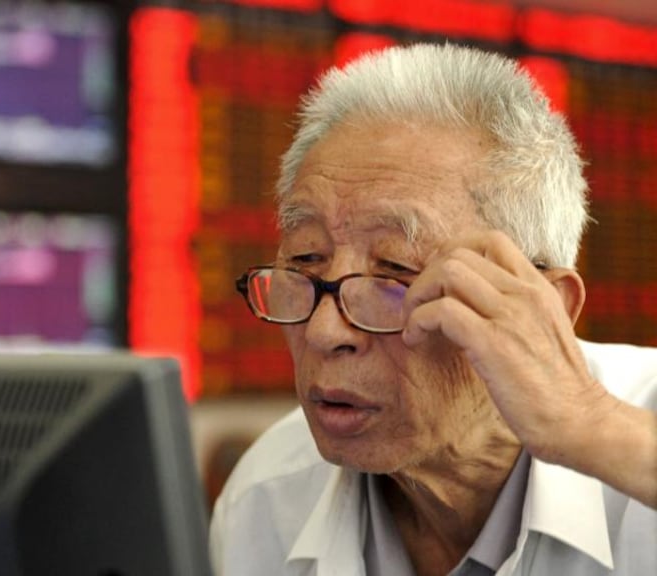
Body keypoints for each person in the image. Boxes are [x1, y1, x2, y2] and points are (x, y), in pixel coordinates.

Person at [209, 43, 657, 576]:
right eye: (306, 260)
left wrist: (590, 423)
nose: (327, 331)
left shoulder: (637, 443)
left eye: (395, 271)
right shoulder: (265, 502)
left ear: (549, 308)